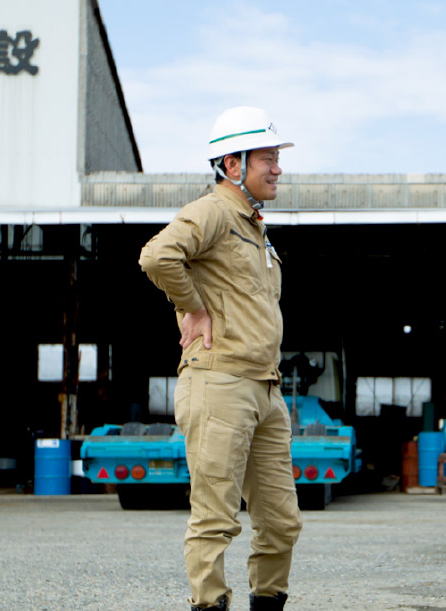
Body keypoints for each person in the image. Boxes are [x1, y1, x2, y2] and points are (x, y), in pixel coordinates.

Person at [139, 106, 301, 611]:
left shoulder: (253, 227)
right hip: (220, 381)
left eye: (276, 158)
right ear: (233, 164)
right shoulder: (213, 212)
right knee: (215, 519)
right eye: (267, 158)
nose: (277, 168)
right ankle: (209, 604)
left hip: (265, 388)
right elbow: (157, 256)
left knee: (281, 521)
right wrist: (193, 308)